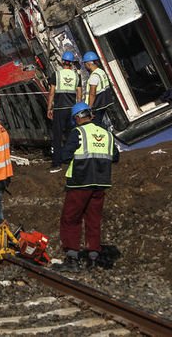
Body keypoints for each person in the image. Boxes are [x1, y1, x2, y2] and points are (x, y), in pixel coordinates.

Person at [56, 102, 119, 272]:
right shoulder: (107, 134)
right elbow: (115, 156)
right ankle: (93, 258)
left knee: (71, 219)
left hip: (80, 182)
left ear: (77, 118)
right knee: (93, 220)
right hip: (101, 183)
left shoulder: (78, 132)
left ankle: (72, 258)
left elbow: (65, 156)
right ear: (90, 115)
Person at [47, 51, 83, 173]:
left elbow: (52, 93)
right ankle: (72, 159)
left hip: (59, 109)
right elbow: (79, 95)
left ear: (62, 62)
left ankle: (57, 164)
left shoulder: (56, 75)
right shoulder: (77, 76)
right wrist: (78, 109)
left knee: (57, 137)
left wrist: (49, 108)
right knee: (72, 135)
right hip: (72, 110)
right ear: (72, 63)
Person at [82, 51, 114, 128]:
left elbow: (92, 93)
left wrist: (89, 107)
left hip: (97, 105)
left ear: (88, 64)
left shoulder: (94, 76)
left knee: (96, 125)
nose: (85, 66)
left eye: (85, 64)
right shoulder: (101, 72)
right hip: (105, 103)